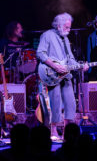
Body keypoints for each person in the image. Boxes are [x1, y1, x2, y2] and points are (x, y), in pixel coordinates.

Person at [36, 12, 89, 140]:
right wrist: (55, 66)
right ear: (58, 26)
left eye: (69, 27)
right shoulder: (47, 35)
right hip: (52, 75)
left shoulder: (65, 39)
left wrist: (81, 66)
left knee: (70, 102)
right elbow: (40, 53)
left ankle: (67, 132)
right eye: (66, 27)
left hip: (65, 75)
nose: (69, 30)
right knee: (55, 101)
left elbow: (70, 59)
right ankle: (53, 130)